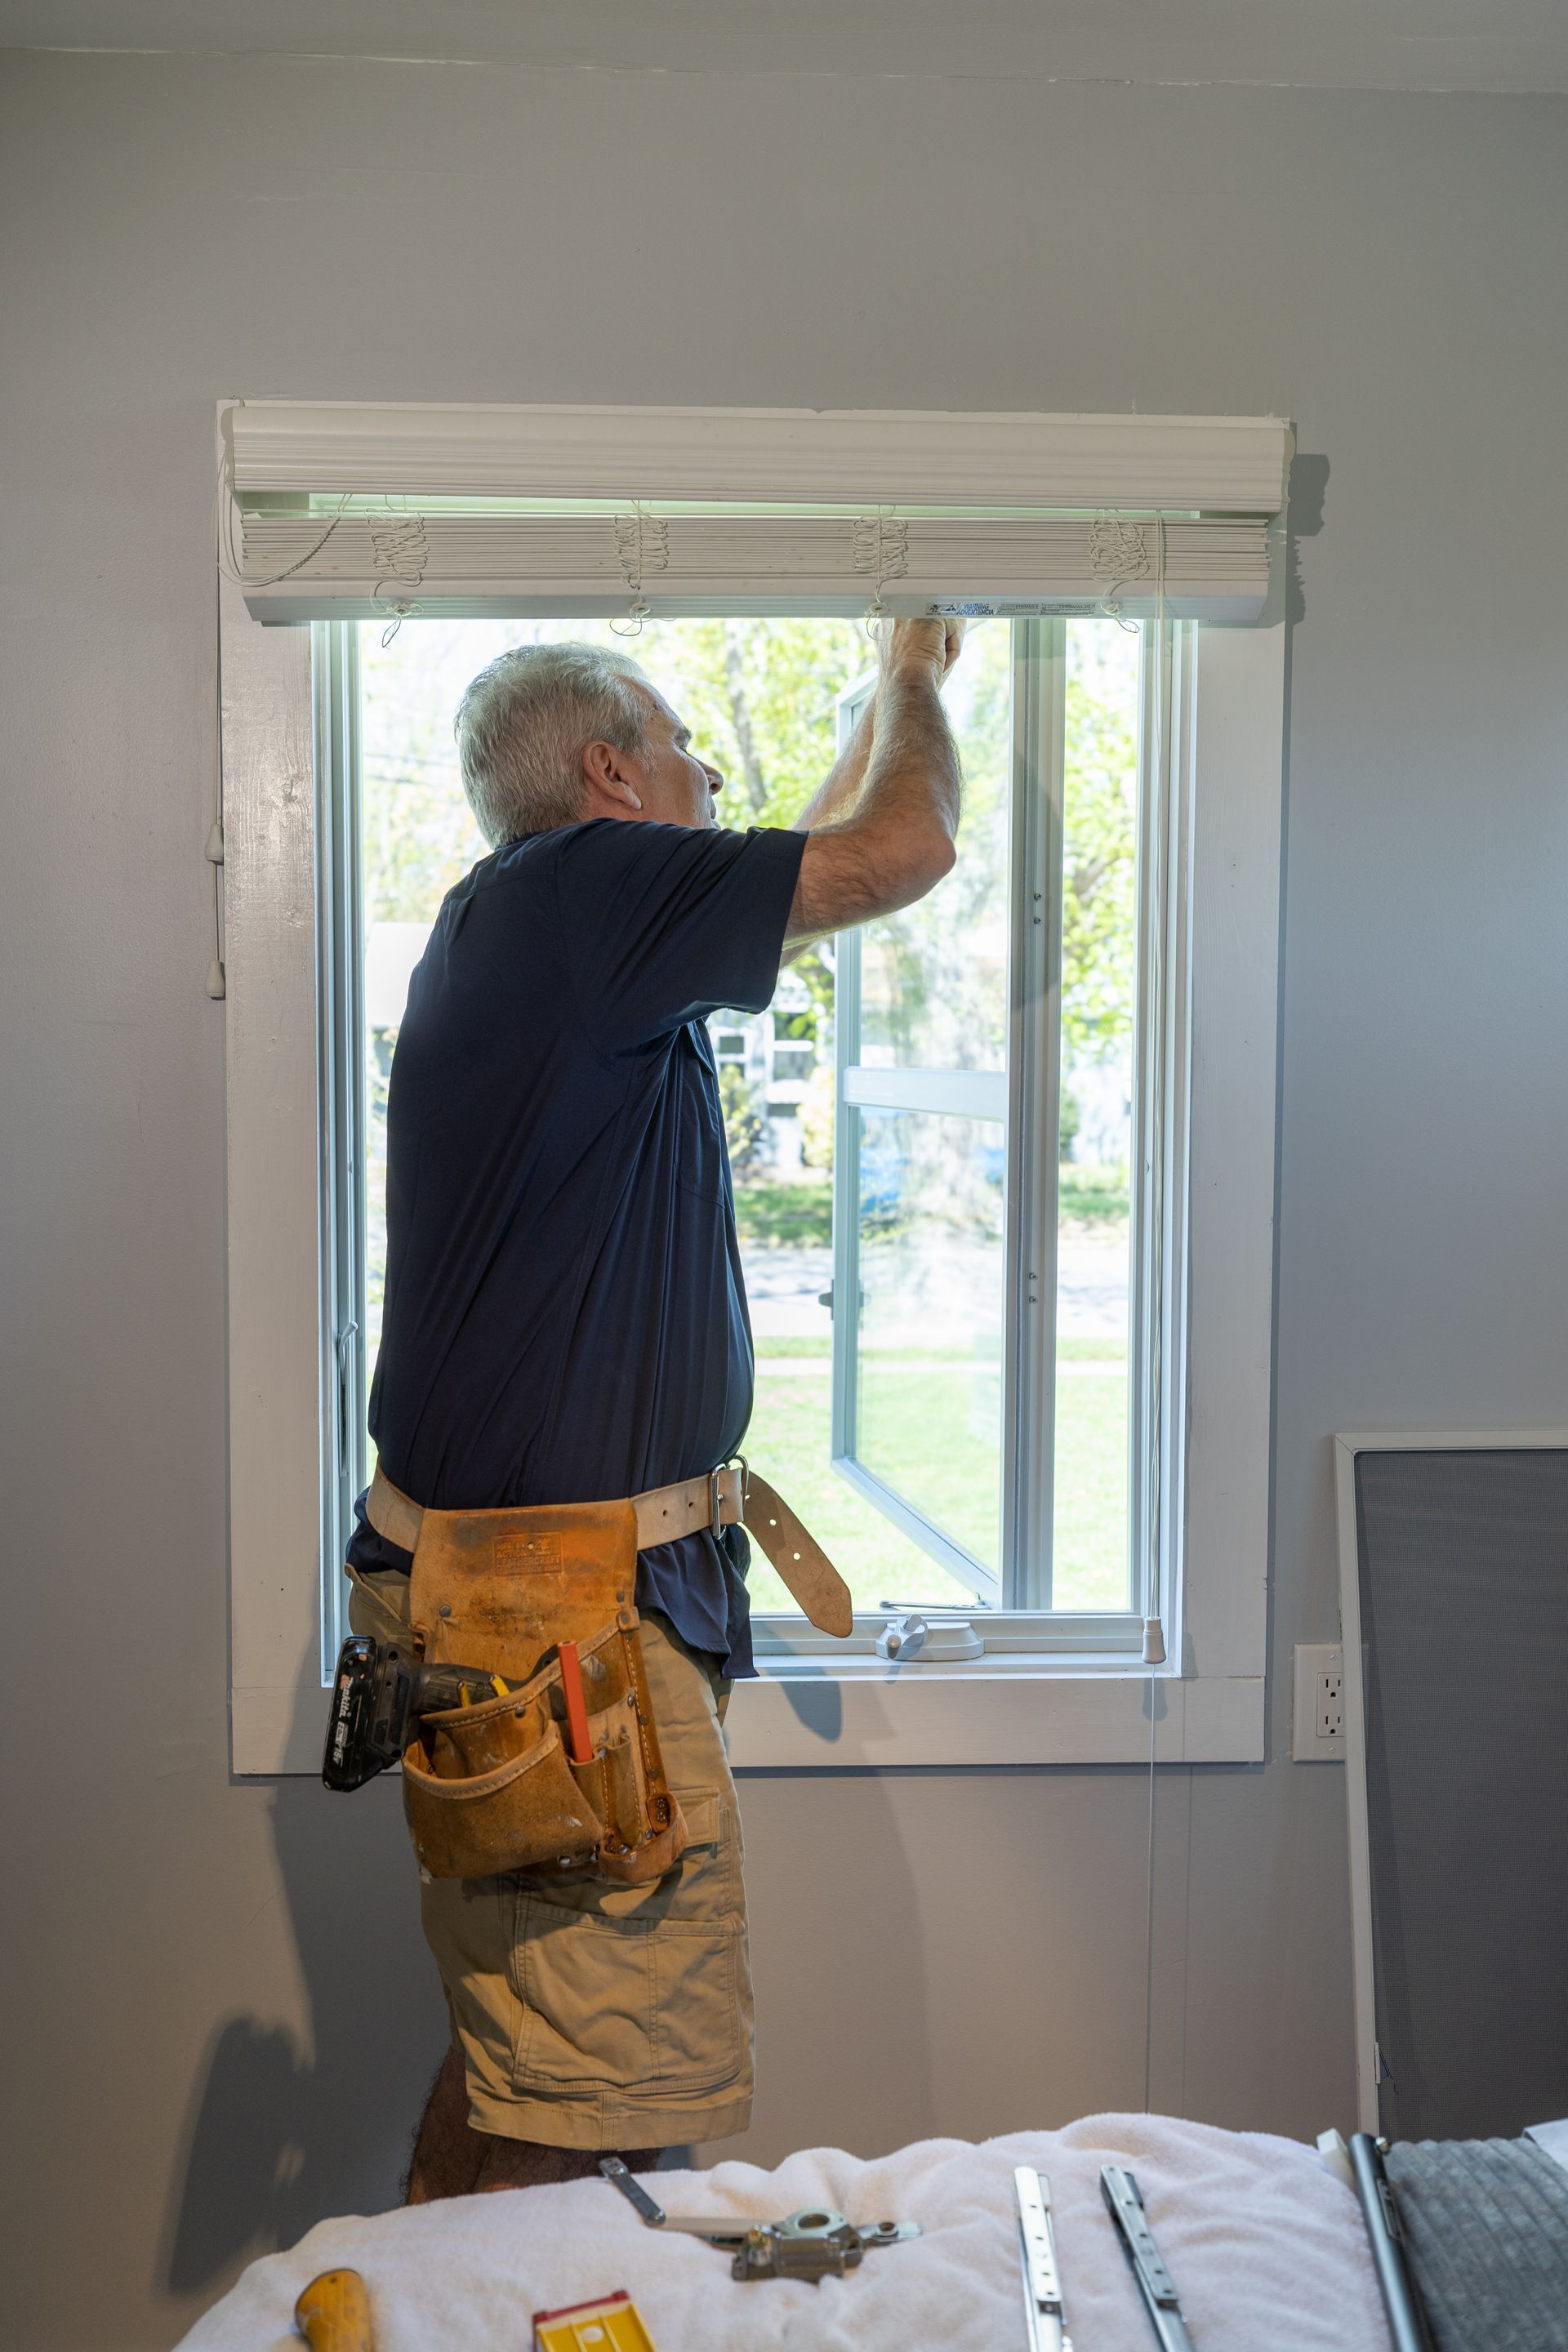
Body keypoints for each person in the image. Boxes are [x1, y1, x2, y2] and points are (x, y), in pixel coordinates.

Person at [346, 614, 966, 2199]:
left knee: (544, 2061)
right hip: (558, 1622)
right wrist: (907, 685)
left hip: (548, 1604)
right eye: (688, 743)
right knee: (594, 2107)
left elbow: (806, 857)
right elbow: (900, 846)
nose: (714, 771)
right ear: (611, 774)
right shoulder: (585, 899)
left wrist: (861, 712)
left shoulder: (569, 944)